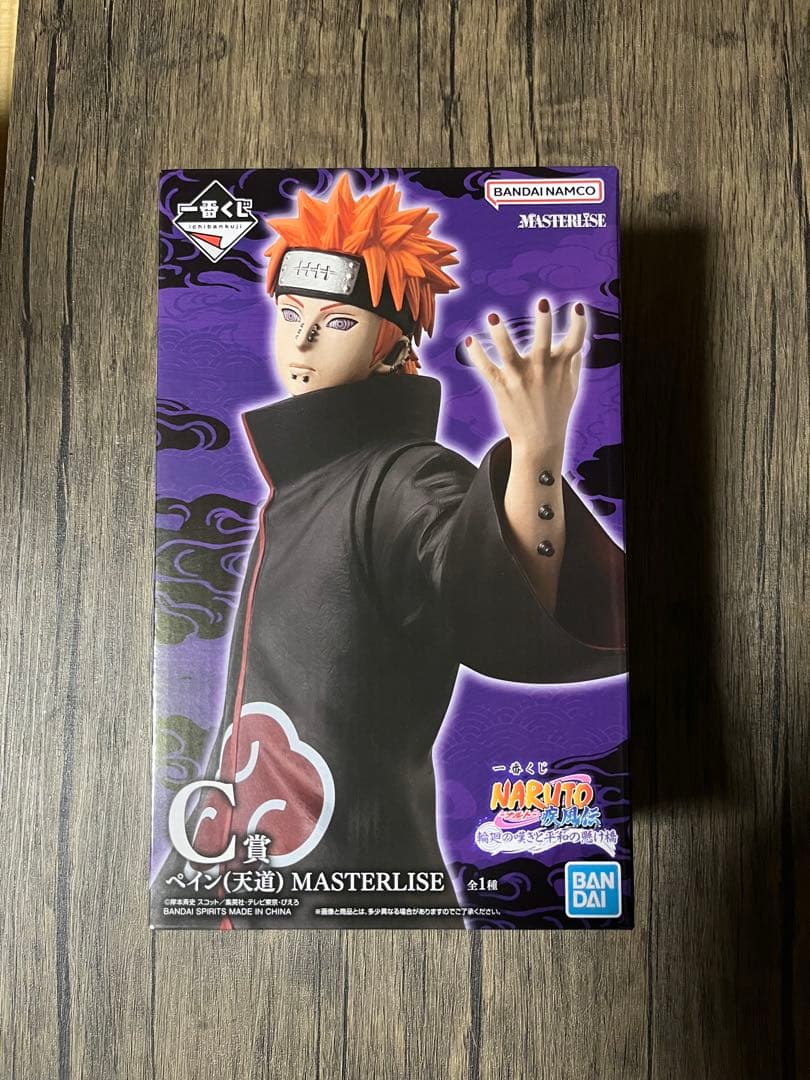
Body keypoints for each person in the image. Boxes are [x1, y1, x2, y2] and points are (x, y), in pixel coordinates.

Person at [158, 174, 626, 929]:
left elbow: (487, 595)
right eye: (290, 312)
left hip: (353, 898)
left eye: (338, 321)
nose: (302, 341)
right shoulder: (307, 481)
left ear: (392, 346)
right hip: (231, 883)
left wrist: (536, 452)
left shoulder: (404, 476)